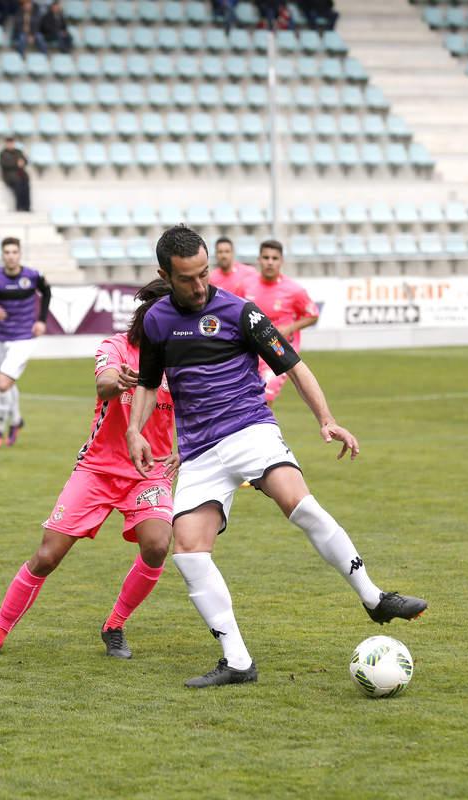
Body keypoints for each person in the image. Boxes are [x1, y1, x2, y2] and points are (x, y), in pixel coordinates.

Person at [126, 225, 427, 689]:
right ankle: (238, 661)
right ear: (165, 274)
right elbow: (148, 384)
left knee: (300, 505)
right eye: (187, 278)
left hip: (250, 430)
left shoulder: (240, 312)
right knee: (187, 551)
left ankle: (374, 597)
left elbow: (295, 366)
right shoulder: (157, 322)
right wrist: (135, 430)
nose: (201, 285)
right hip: (200, 452)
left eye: (205, 273)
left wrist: (325, 419)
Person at [0, 280, 177, 660]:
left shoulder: (182, 357)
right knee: (47, 555)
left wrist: (186, 450)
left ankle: (114, 626)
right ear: (149, 315)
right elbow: (105, 382)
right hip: (98, 468)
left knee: (158, 545)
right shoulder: (116, 346)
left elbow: (199, 407)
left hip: (149, 470)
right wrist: (119, 378)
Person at [0, 237, 51, 451]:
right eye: (7, 252)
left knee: (2, 384)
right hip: (1, 338)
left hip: (24, 339)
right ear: (2, 255)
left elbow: (47, 293)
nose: (11, 256)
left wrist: (41, 320)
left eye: (14, 252)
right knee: (9, 383)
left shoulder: (32, 276)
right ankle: (17, 421)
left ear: (19, 254)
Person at [237, 239, 319, 406]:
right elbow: (236, 311)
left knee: (265, 397)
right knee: (249, 400)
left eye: (274, 258)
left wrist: (290, 328)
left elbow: (313, 315)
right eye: (266, 257)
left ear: (281, 261)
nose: (270, 262)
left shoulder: (294, 290)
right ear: (259, 259)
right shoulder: (246, 286)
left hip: (278, 348)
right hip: (251, 349)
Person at [0, 137, 31, 212]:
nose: (10, 145)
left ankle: (27, 207)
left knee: (26, 186)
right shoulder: (3, 153)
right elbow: (4, 164)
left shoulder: (18, 151)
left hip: (21, 175)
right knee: (18, 186)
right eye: (9, 143)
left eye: (11, 143)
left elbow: (25, 161)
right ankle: (19, 207)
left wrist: (22, 162)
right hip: (9, 176)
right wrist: (17, 164)